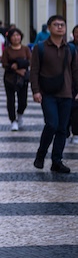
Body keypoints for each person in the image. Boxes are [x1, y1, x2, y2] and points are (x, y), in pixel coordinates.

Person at [29, 14, 77, 173]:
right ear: (49, 28)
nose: (60, 27)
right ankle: (41, 154)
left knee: (62, 129)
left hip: (67, 94)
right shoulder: (40, 48)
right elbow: (34, 71)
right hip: (47, 94)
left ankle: (57, 161)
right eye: (56, 25)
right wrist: (36, 91)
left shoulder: (70, 49)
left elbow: (75, 72)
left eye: (62, 25)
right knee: (51, 124)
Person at [1, 27, 30, 132]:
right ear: (10, 38)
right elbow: (4, 64)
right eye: (13, 36)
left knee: (23, 101)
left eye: (17, 35)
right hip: (10, 79)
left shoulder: (25, 49)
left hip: (23, 79)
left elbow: (30, 61)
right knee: (11, 100)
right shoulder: (7, 50)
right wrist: (16, 70)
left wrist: (19, 64)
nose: (16, 38)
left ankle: (20, 114)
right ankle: (13, 120)